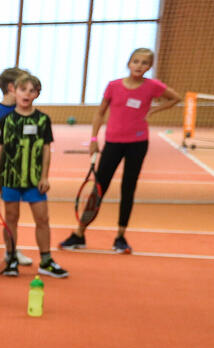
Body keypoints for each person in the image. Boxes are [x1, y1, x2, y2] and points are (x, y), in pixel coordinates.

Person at [60, 47, 181, 254]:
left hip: (138, 143)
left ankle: (120, 237)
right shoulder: (114, 86)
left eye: (144, 63)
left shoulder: (152, 87)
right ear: (129, 63)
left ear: (149, 67)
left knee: (128, 188)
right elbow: (99, 113)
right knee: (99, 188)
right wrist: (93, 139)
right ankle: (79, 233)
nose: (139, 66)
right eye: (136, 61)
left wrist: (154, 110)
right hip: (113, 143)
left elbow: (175, 98)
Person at [0, 72, 68, 279]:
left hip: (34, 180)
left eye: (31, 90)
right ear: (13, 91)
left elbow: (45, 150)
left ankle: (46, 260)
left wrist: (44, 176)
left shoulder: (43, 120)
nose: (26, 94)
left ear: (37, 94)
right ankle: (11, 258)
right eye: (22, 89)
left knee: (42, 218)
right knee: (11, 219)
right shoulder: (6, 120)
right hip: (10, 179)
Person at [0, 66, 33, 267]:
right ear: (12, 87)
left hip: (14, 174)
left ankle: (11, 250)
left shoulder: (25, 112)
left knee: (12, 215)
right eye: (24, 86)